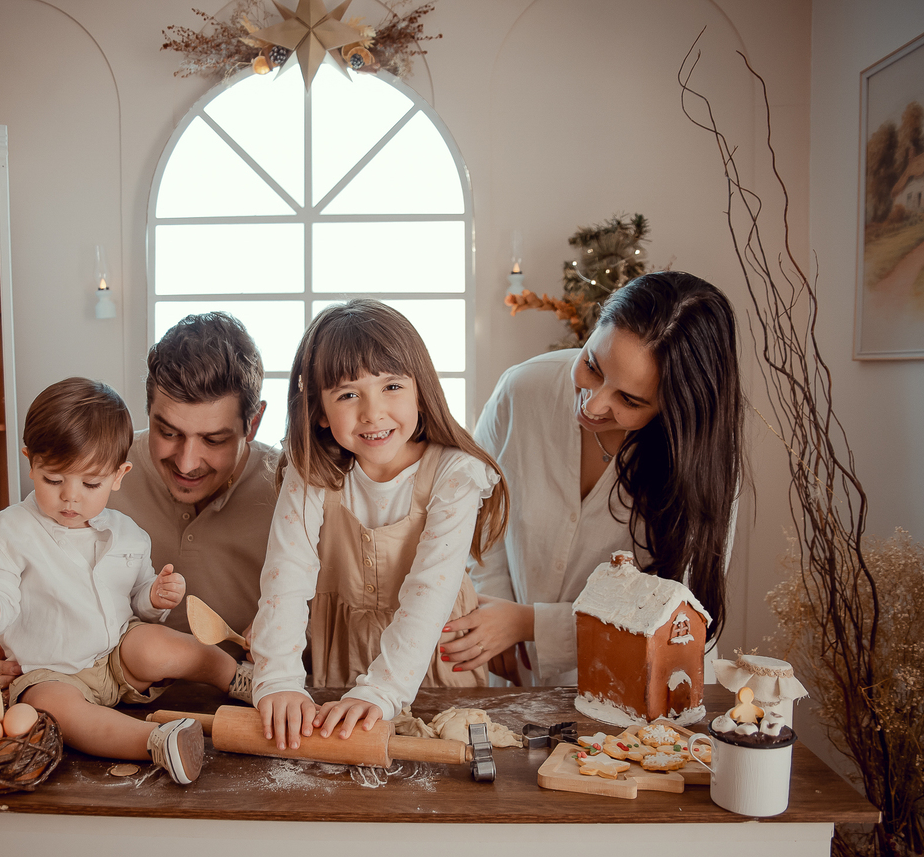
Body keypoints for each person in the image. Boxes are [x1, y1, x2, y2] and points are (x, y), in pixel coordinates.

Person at [442, 271, 743, 686]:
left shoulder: (703, 463)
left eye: (630, 400)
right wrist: (493, 614)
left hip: (645, 688)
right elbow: (479, 518)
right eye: (592, 366)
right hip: (512, 671)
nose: (594, 404)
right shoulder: (522, 390)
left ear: (676, 408)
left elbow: (674, 608)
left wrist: (528, 625)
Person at [0, 378, 251, 785]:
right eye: (53, 480)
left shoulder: (129, 533)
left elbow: (136, 601)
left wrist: (155, 597)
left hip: (117, 658)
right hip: (51, 673)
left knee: (155, 644)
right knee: (59, 711)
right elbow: (2, 596)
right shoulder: (7, 533)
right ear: (31, 462)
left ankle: (235, 675)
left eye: (90, 484)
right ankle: (157, 741)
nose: (70, 498)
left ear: (118, 475)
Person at [250, 299, 509, 750]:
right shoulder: (310, 471)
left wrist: (384, 689)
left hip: (433, 659)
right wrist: (277, 679)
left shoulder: (455, 476)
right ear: (318, 410)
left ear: (420, 389)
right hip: (339, 653)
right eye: (348, 394)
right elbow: (285, 573)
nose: (373, 413)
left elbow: (429, 590)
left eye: (391, 386)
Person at [0, 312, 278, 690]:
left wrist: (285, 624)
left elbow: (330, 612)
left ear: (253, 423)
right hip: (96, 694)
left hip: (242, 699)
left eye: (214, 440)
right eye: (168, 431)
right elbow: (13, 583)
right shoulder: (94, 472)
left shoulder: (285, 492)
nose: (187, 462)